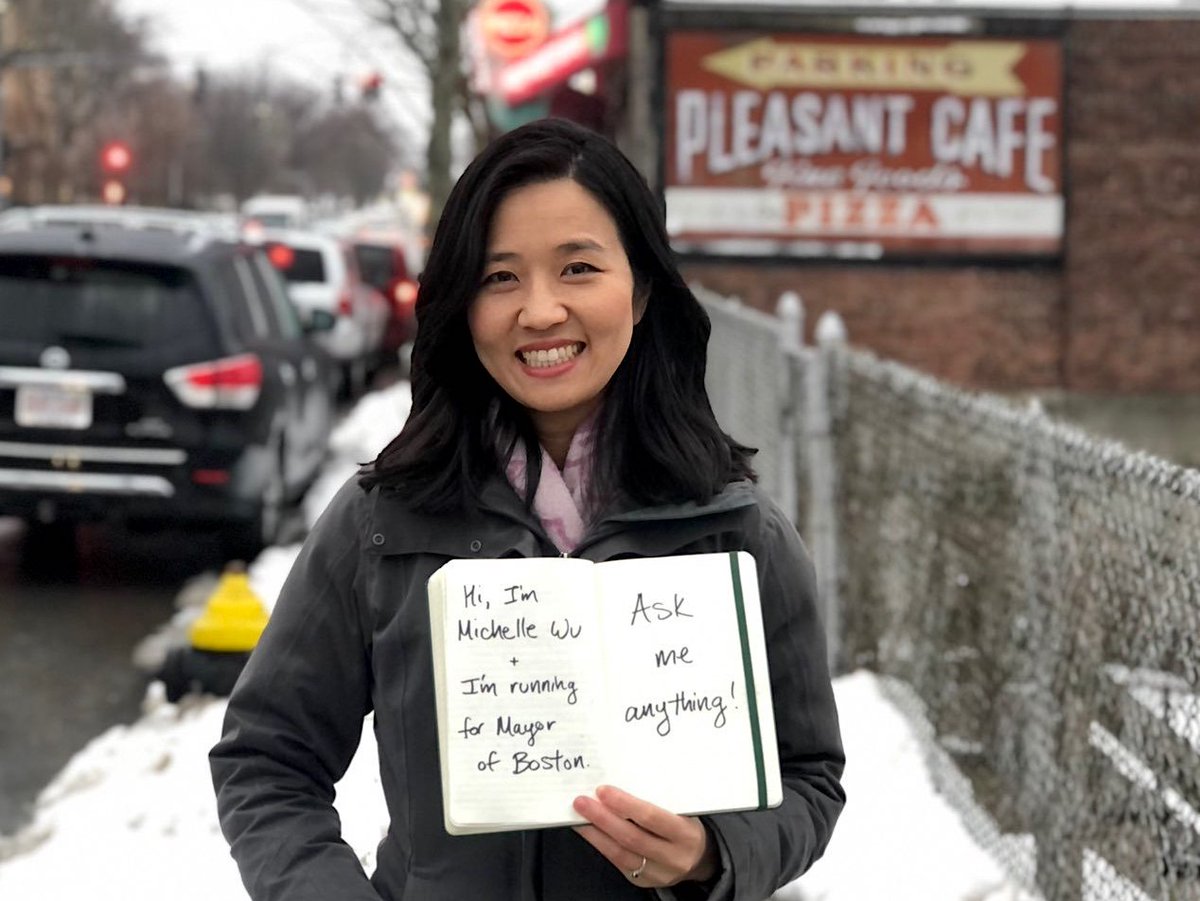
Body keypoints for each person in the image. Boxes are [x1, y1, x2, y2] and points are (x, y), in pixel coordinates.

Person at [210, 117, 845, 901]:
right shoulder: (381, 522)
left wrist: (714, 854)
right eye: (499, 277)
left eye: (578, 267)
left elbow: (809, 777)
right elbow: (267, 761)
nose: (539, 312)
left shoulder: (733, 528)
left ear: (641, 288)